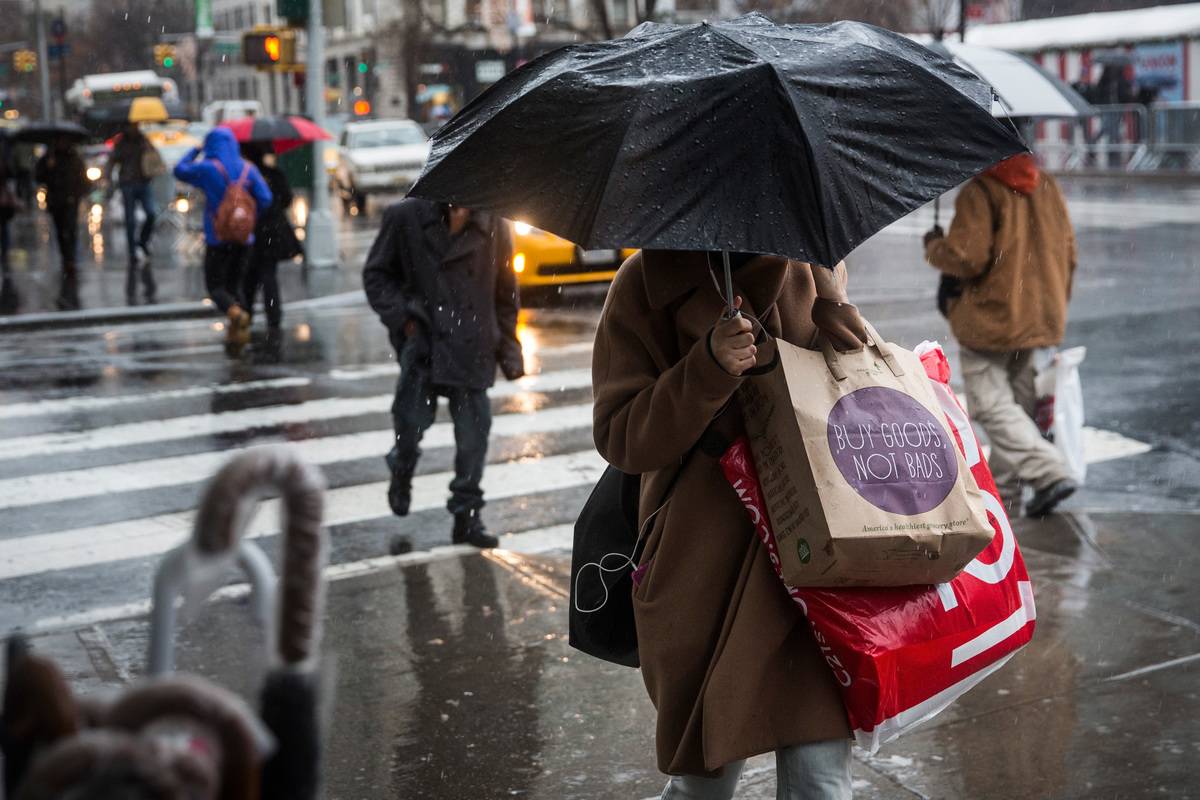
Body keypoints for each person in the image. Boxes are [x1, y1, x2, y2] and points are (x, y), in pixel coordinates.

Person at [592, 250, 867, 799]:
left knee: (821, 782)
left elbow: (855, 391)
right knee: (703, 784)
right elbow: (622, 436)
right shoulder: (643, 284)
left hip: (811, 557)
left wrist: (835, 305)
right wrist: (708, 368)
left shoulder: (807, 263)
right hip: (702, 569)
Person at [363, 198, 524, 549]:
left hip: (473, 346)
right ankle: (401, 468)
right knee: (409, 425)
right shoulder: (405, 217)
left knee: (473, 441)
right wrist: (404, 319)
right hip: (424, 344)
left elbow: (505, 289)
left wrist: (510, 348)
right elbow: (376, 275)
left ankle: (466, 517)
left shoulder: (494, 220)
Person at [924, 152, 1078, 517]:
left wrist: (934, 246)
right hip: (1039, 317)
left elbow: (967, 257)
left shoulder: (982, 190)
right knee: (1019, 411)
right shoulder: (1047, 184)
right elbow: (1069, 252)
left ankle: (1049, 470)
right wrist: (1052, 304)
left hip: (991, 320)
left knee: (991, 408)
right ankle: (1006, 496)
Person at [174, 128, 272, 355]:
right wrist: (245, 216)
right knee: (235, 285)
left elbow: (179, 170)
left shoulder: (209, 169)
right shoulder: (248, 168)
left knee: (215, 287)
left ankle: (236, 315)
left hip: (217, 238)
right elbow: (265, 199)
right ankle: (237, 335)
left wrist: (195, 150)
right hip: (243, 239)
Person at [241, 144, 301, 345]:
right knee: (269, 275)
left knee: (249, 276)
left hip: (251, 230)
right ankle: (273, 317)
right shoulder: (273, 174)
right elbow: (287, 198)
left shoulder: (243, 176)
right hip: (273, 231)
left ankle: (246, 313)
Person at [105, 122, 162, 302]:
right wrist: (109, 179)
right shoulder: (121, 142)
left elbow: (155, 157)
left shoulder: (144, 140)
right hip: (128, 183)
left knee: (151, 213)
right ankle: (132, 252)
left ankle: (142, 242)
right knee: (129, 219)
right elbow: (112, 161)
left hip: (144, 183)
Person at [34, 136, 88, 311]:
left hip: (71, 200)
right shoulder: (49, 157)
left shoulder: (74, 158)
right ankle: (66, 257)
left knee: (71, 229)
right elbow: (39, 176)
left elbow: (83, 179)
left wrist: (78, 194)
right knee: (60, 231)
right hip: (56, 201)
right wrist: (48, 167)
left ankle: (70, 259)